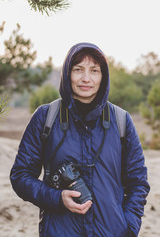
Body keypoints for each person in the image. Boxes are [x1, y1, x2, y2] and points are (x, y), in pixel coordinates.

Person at [10, 42, 150, 237]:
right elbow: (20, 176)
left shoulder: (121, 120)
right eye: (78, 69)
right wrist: (57, 198)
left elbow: (138, 183)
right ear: (67, 73)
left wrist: (129, 228)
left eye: (94, 70)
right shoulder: (46, 117)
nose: (86, 78)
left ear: (103, 76)